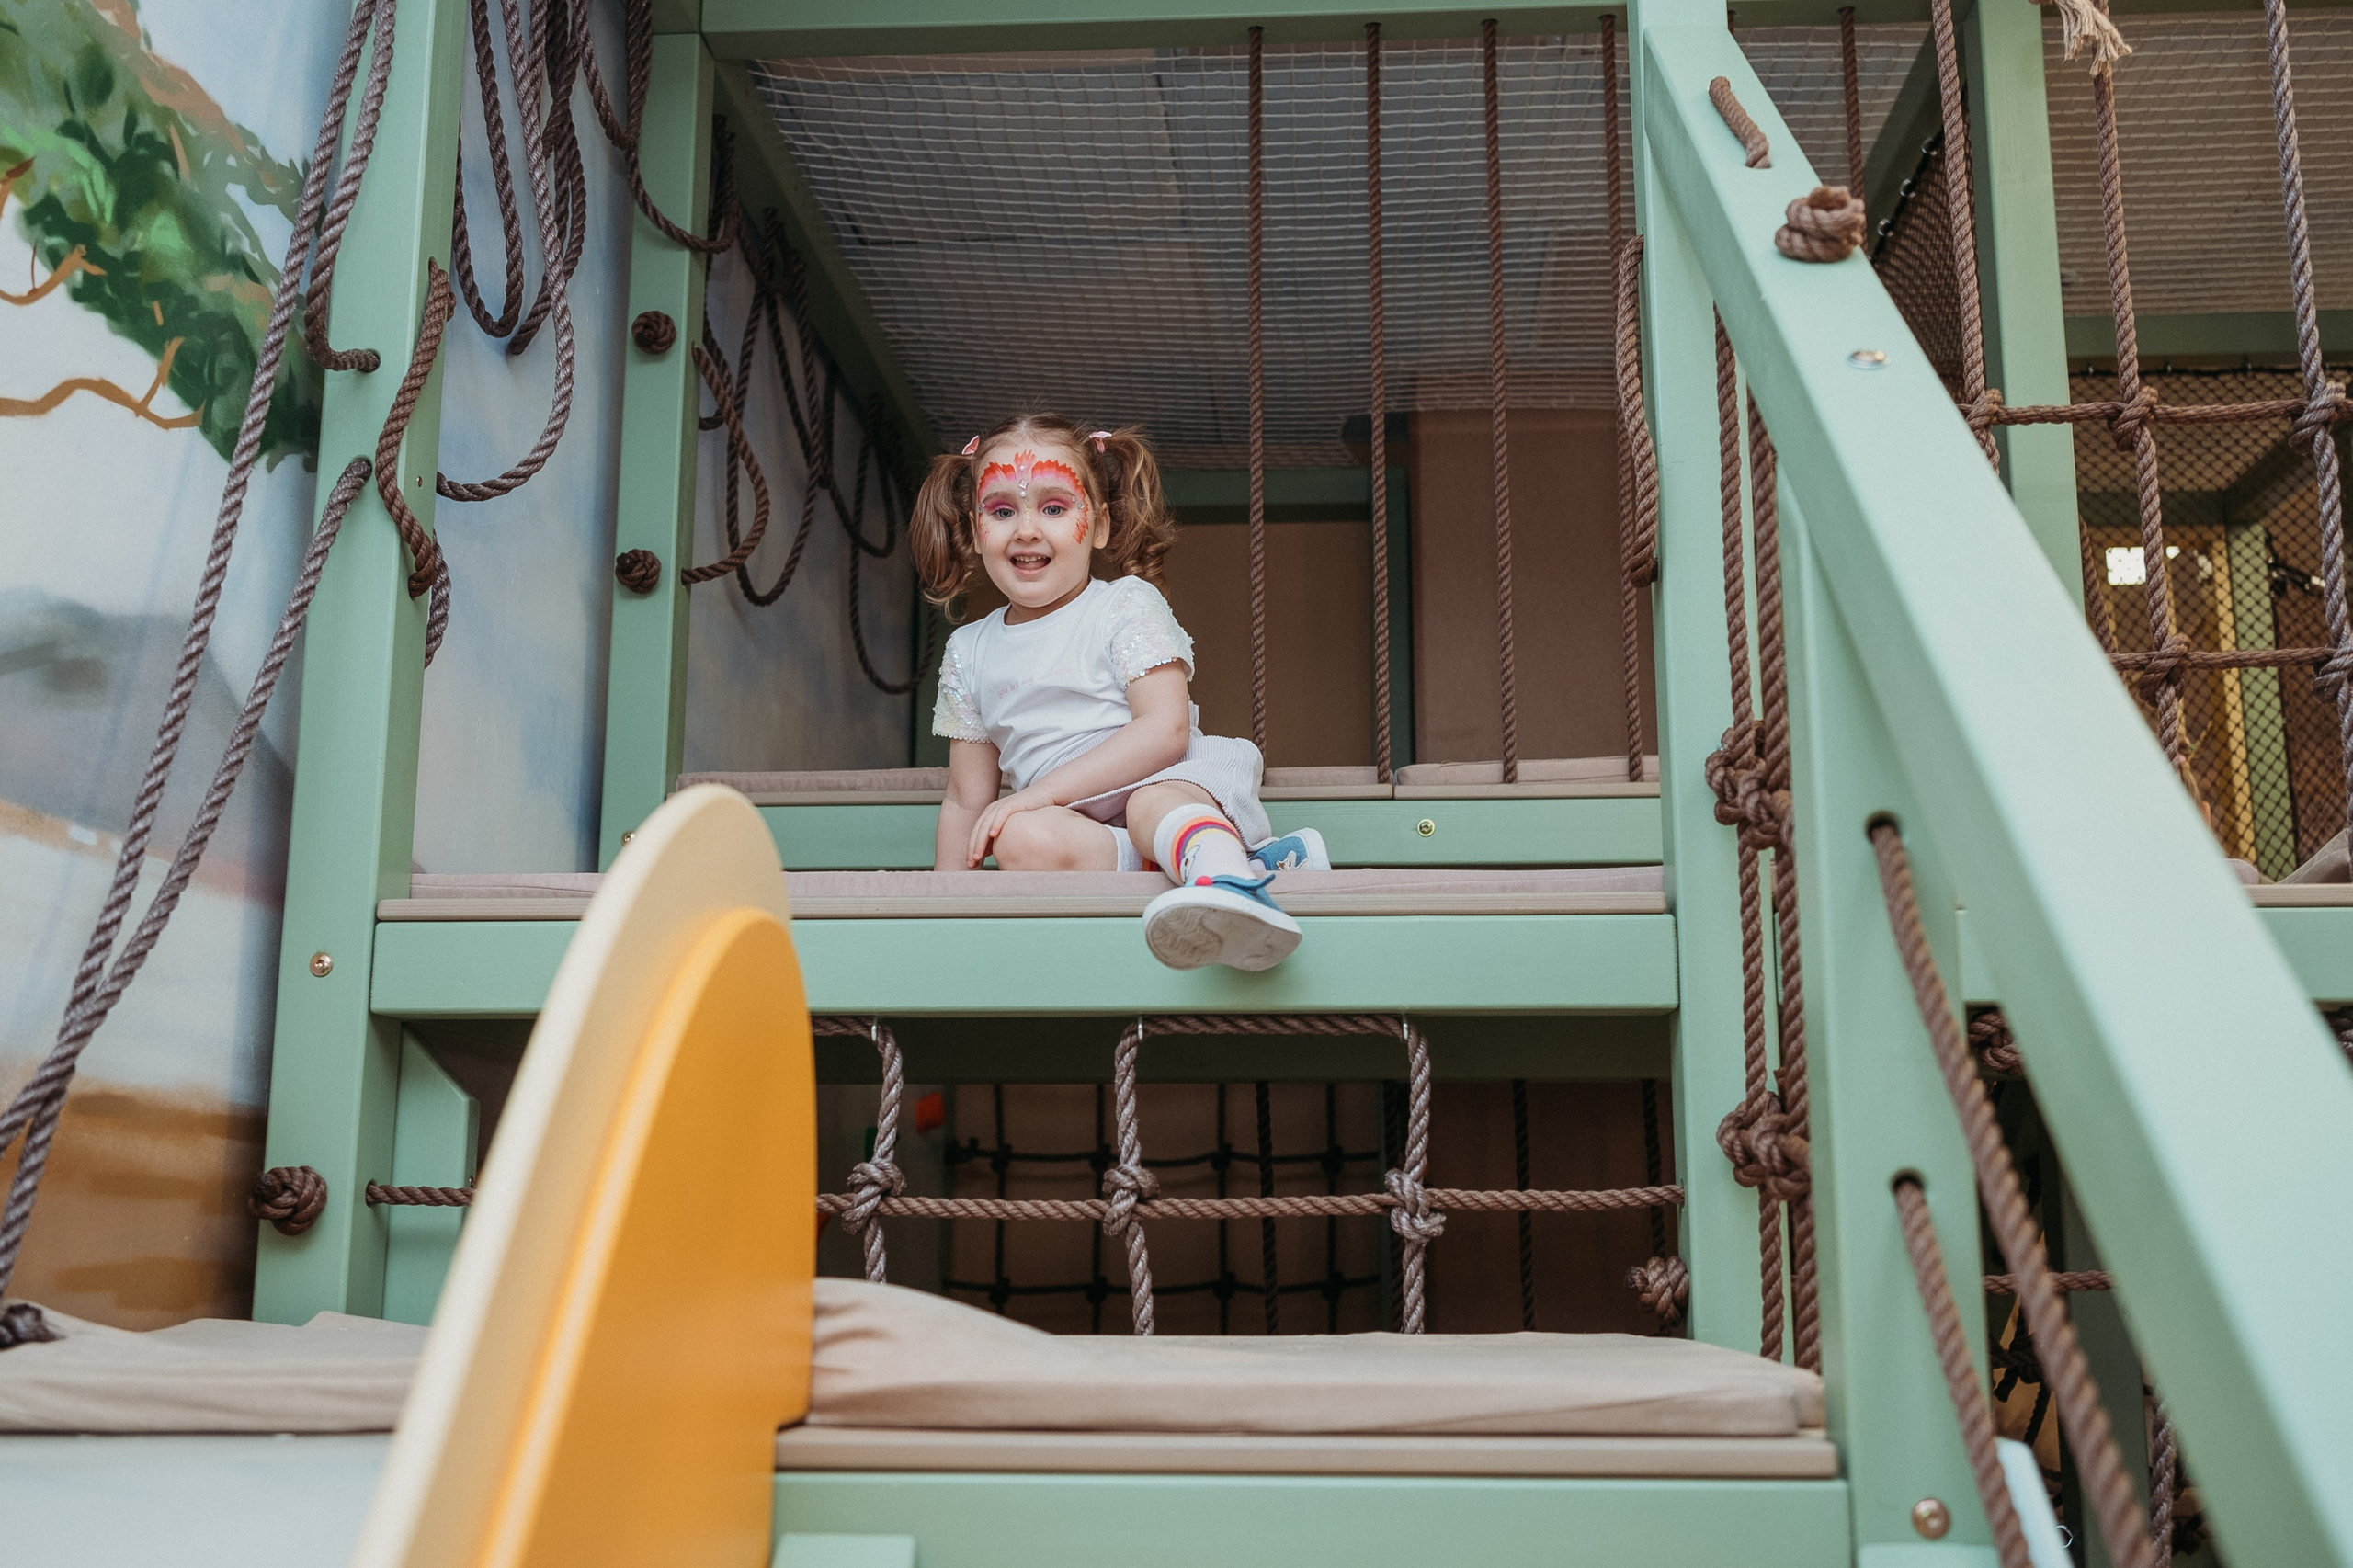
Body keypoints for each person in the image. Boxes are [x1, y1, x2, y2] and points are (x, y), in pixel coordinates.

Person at [910, 415, 1326, 971]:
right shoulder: (969, 650)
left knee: (1151, 806)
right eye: (1003, 510)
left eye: (1055, 508)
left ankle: (1233, 890)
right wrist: (945, 910)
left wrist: (1039, 792)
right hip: (1081, 828)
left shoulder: (1123, 605)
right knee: (1016, 839)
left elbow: (1165, 730)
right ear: (973, 528)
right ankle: (1221, 864)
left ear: (1100, 525)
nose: (1027, 529)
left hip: (1169, 779)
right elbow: (967, 798)